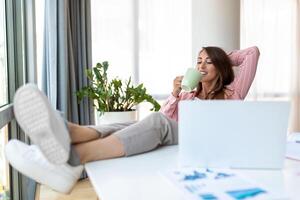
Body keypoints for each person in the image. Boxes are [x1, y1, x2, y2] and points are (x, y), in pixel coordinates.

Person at [5, 46, 260, 193]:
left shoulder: (232, 93)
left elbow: (252, 53)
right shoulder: (190, 92)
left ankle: (72, 160)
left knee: (156, 123)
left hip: (200, 139)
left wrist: (223, 57)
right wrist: (175, 94)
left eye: (208, 61)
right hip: (177, 131)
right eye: (198, 60)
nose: (201, 65)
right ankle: (63, 134)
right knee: (128, 125)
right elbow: (167, 117)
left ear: (221, 66)